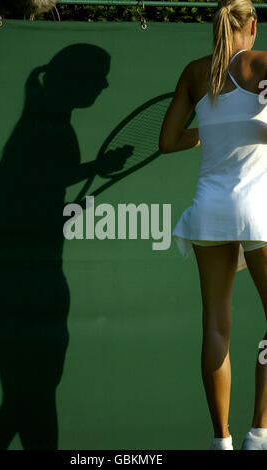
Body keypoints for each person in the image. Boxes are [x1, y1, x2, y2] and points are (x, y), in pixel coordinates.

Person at [159, 0, 267, 450]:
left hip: (208, 212)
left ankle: (219, 440)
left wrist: (207, 132)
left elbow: (168, 141)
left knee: (215, 325)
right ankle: (259, 434)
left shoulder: (194, 71)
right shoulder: (262, 63)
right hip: (254, 211)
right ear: (254, 25)